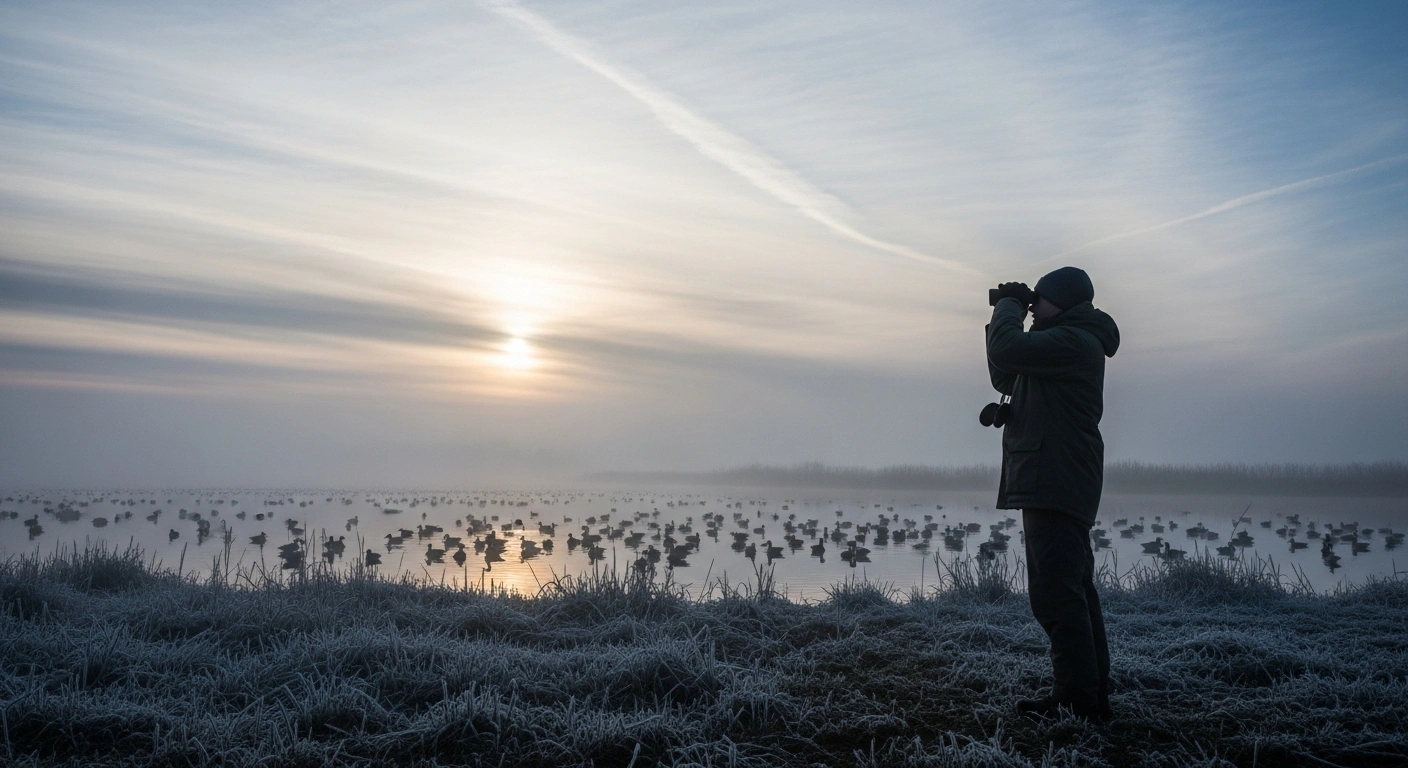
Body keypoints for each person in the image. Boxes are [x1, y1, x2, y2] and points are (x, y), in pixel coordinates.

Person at [985, 266, 1120, 724]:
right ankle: (1089, 692)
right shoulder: (1064, 343)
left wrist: (1007, 307)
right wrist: (1005, 316)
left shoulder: (1073, 342)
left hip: (1056, 479)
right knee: (1073, 589)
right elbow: (1006, 373)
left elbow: (1008, 348)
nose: (1031, 305)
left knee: (1056, 594)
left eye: (1037, 299)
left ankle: (1077, 697)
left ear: (1061, 302)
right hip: (1058, 478)